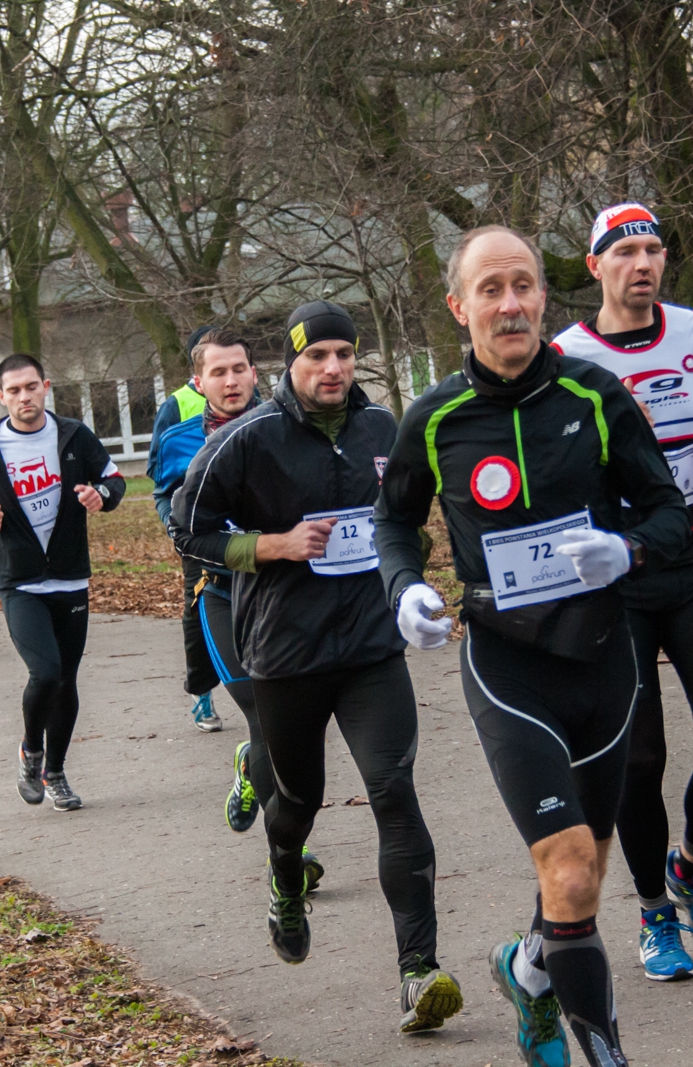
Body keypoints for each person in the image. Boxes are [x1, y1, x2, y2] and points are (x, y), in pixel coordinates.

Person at [375, 226, 690, 1067]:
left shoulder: (595, 395)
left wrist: (629, 548)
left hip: (604, 658)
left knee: (578, 872)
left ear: (543, 297)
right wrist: (403, 585)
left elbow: (664, 508)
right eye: (490, 289)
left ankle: (527, 969)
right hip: (507, 665)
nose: (509, 303)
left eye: (523, 286)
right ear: (459, 307)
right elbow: (393, 521)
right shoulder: (435, 417)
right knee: (573, 867)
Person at [173, 301, 462, 1035]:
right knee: (298, 800)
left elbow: (404, 519)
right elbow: (188, 528)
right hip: (287, 655)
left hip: (370, 651)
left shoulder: (381, 430)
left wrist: (413, 581)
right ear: (292, 365)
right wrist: (274, 546)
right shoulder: (248, 440)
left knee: (394, 789)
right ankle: (284, 877)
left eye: (344, 354)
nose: (333, 368)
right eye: (317, 356)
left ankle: (417, 971)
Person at [549, 203, 693, 981]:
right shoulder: (566, 354)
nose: (643, 263)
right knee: (639, 758)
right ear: (596, 265)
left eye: (654, 249)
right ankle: (653, 911)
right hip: (620, 578)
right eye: (626, 251)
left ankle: (692, 868)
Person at [0, 354, 125, 812]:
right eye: (14, 391)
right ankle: (31, 750)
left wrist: (99, 495)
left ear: (45, 386)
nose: (24, 397)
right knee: (44, 672)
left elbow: (113, 478)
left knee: (66, 681)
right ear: (0, 396)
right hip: (20, 580)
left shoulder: (73, 435)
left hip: (69, 576)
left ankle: (56, 773)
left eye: (31, 387)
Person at [160, 329, 274, 834]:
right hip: (222, 592)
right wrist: (179, 527)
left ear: (254, 372)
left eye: (239, 369)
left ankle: (251, 765)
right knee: (263, 713)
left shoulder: (284, 425)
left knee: (284, 726)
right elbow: (167, 500)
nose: (231, 381)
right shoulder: (178, 441)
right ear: (198, 381)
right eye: (218, 372)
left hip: (282, 594)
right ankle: (288, 853)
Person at [148, 325, 222, 732]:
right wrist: (174, 524)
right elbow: (157, 471)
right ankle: (202, 690)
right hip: (198, 531)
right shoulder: (175, 408)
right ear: (197, 370)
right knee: (199, 609)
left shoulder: (257, 400)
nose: (229, 379)